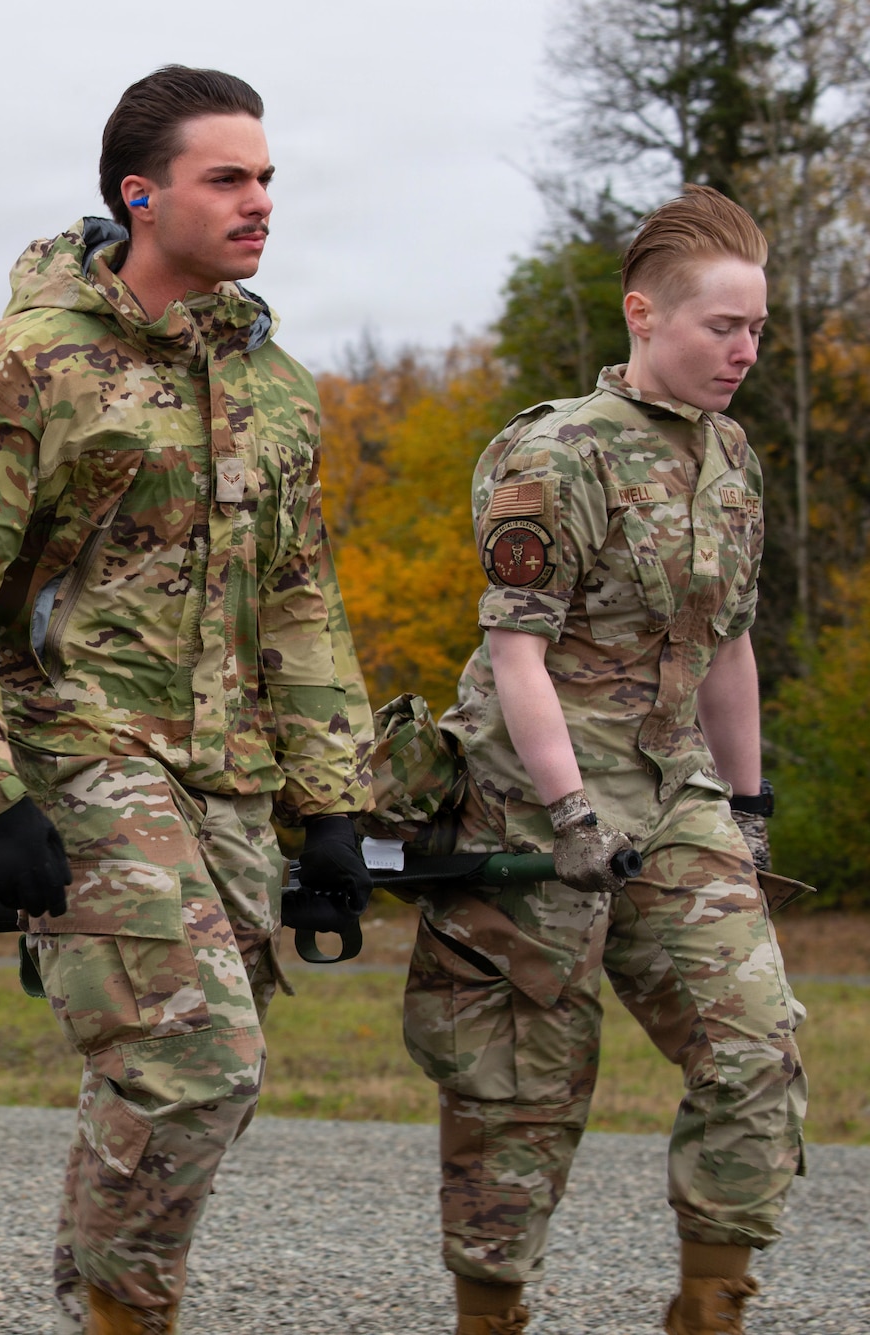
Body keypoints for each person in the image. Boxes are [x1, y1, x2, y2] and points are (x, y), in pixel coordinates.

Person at [0, 66, 376, 1335]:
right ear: (139, 198)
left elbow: (296, 604)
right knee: (189, 1064)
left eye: (266, 179)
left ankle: (104, 1309)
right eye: (226, 179)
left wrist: (330, 805)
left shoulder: (270, 387)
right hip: (66, 753)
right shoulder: (14, 372)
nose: (259, 203)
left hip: (222, 771)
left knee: (191, 1086)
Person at [406, 185, 801, 1335]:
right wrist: (569, 809)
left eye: (757, 330)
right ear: (641, 315)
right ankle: (490, 1314)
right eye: (720, 326)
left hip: (673, 794)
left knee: (754, 1051)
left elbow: (726, 650)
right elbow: (514, 655)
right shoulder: (553, 455)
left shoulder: (733, 459)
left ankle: (709, 1309)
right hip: (532, 802)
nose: (744, 350)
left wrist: (747, 804)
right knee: (518, 1087)